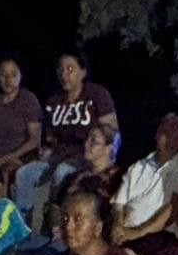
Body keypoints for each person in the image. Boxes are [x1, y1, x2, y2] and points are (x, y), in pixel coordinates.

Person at [13, 52, 118, 223]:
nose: (64, 75)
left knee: (62, 172)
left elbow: (111, 131)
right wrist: (46, 149)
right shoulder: (54, 101)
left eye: (70, 69)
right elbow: (48, 137)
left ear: (83, 72)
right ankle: (23, 228)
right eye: (60, 70)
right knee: (26, 173)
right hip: (57, 156)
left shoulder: (97, 94)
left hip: (86, 156)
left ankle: (59, 225)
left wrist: (107, 158)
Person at [111, 112, 178, 255]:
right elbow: (118, 203)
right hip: (128, 235)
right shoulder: (138, 167)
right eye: (164, 129)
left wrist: (137, 232)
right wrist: (119, 226)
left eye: (174, 130)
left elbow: (174, 209)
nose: (167, 134)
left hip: (160, 238)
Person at [0, 58, 43, 180]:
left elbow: (34, 140)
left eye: (13, 75)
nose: (8, 80)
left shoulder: (27, 99)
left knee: (5, 173)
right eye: (3, 75)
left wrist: (7, 158)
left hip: (22, 157)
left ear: (20, 76)